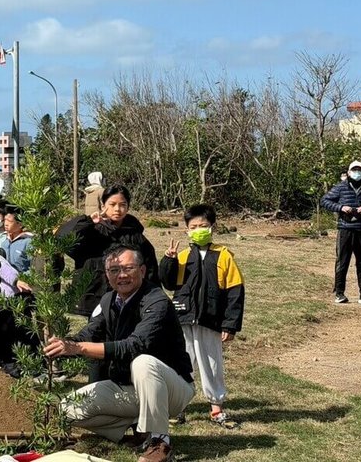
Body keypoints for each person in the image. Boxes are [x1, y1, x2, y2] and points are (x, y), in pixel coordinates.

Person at [45, 245, 194, 462]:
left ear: (142, 271)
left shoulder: (157, 301)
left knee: (143, 362)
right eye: (114, 270)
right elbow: (89, 334)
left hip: (172, 388)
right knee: (68, 408)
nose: (121, 275)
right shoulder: (108, 300)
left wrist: (79, 348)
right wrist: (62, 345)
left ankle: (159, 441)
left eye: (127, 268)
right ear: (107, 275)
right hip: (130, 388)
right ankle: (138, 428)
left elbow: (134, 346)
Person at [159, 204, 244, 429]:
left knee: (211, 364)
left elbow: (235, 292)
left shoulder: (224, 256)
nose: (199, 230)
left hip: (211, 320)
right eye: (194, 226)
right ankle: (178, 407)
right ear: (187, 230)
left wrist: (230, 324)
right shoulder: (183, 256)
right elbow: (168, 283)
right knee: (181, 362)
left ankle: (216, 407)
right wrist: (168, 260)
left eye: (203, 226)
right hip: (184, 319)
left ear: (213, 227)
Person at [57, 184, 159, 316]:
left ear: (128, 207)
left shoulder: (136, 236)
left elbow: (150, 270)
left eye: (122, 204)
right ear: (103, 205)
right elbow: (62, 239)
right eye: (112, 204)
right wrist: (88, 221)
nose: (117, 209)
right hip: (95, 297)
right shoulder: (91, 231)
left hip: (129, 298)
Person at [321, 160, 361, 305]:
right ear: (349, 172)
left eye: (360, 170)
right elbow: (324, 200)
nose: (357, 173)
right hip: (344, 229)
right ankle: (339, 293)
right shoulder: (340, 188)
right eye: (354, 170)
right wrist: (341, 207)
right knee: (342, 262)